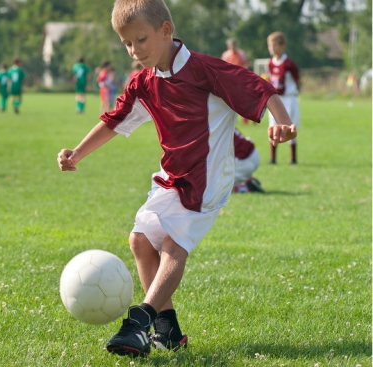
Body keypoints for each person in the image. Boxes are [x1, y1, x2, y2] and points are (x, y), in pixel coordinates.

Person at [57, 0, 296, 358]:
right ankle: (168, 331)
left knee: (171, 245)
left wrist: (279, 120)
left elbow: (260, 89)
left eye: (140, 40)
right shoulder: (144, 81)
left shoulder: (205, 70)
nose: (134, 50)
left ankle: (139, 321)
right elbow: (113, 120)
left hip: (206, 179)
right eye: (127, 44)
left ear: (166, 31)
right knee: (139, 241)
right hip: (171, 175)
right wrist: (76, 152)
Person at [267, 31, 300, 165]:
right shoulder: (270, 63)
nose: (272, 48)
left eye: (274, 45)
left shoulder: (289, 63)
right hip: (275, 99)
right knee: (273, 125)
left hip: (289, 98)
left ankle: (293, 158)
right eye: (270, 45)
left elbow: (296, 80)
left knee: (290, 126)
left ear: (282, 46)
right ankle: (273, 158)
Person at [221, 38, 251, 125]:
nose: (233, 47)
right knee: (230, 100)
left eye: (234, 45)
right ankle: (229, 118)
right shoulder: (226, 55)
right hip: (230, 81)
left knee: (244, 99)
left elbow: (247, 64)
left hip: (241, 80)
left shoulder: (242, 53)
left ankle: (246, 118)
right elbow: (221, 67)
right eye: (231, 45)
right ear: (229, 46)